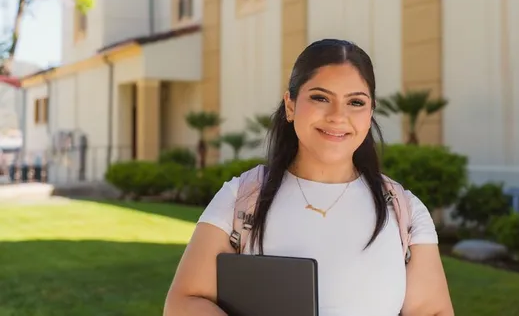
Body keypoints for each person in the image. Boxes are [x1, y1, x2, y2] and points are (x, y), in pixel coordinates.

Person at [163, 39, 454, 316]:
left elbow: (433, 310)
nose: (337, 116)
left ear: (371, 112)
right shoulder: (243, 197)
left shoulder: (405, 210)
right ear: (290, 105)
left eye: (355, 102)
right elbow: (184, 302)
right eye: (320, 97)